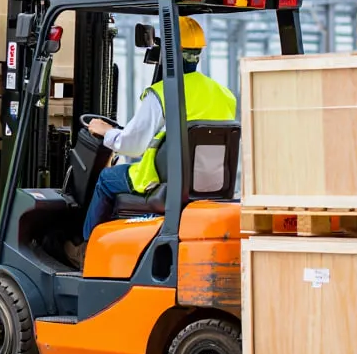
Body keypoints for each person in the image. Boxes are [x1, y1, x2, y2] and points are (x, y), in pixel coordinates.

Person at [64, 17, 236, 268]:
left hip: (162, 180)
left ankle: (88, 252)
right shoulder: (223, 94)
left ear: (167, 50)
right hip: (209, 184)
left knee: (106, 180)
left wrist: (106, 132)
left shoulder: (164, 92)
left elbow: (133, 145)